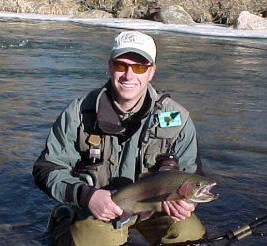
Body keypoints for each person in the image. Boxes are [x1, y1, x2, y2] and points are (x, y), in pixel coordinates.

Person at [33, 30, 206, 246]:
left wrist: (187, 204)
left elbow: (191, 174)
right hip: (99, 209)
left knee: (189, 234)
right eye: (121, 65)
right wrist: (86, 196)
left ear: (151, 72)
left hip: (155, 208)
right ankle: (63, 220)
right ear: (110, 67)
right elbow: (46, 169)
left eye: (140, 67)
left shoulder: (176, 118)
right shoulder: (78, 113)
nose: (129, 75)